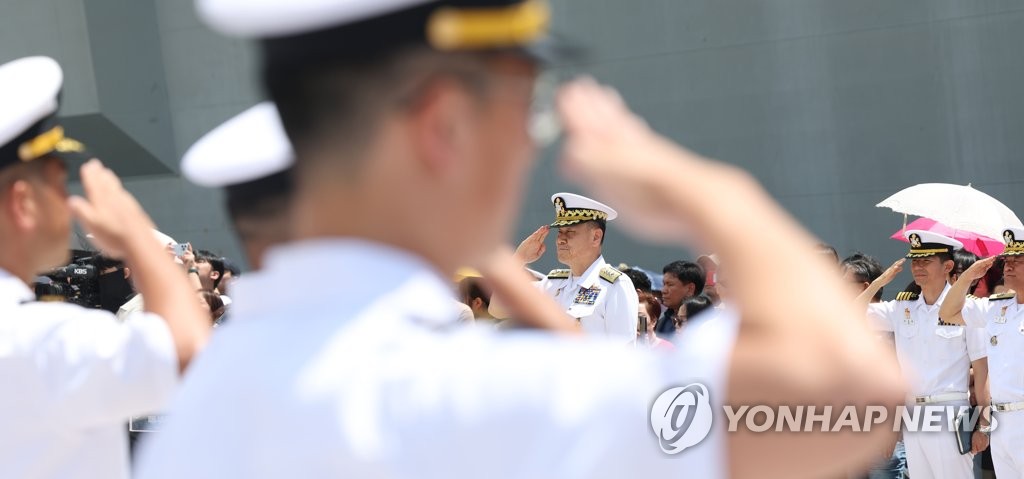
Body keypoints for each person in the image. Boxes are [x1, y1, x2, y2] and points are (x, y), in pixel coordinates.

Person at [135, 1, 904, 478]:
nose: (532, 142)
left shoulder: (221, 390)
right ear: (445, 125)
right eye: (526, 108)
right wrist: (714, 193)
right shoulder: (450, 393)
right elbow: (847, 395)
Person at [0, 56, 209, 478]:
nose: (70, 202)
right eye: (59, 183)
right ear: (24, 204)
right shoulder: (39, 340)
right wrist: (137, 235)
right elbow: (187, 350)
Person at [857, 230, 988, 479]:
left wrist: (984, 424)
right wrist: (878, 283)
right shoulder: (902, 308)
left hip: (950, 412)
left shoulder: (968, 309)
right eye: (915, 261)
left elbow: (981, 372)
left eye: (926, 261)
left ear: (948, 265)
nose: (917, 267)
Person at [939, 227, 1024, 477]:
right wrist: (967, 278)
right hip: (1002, 420)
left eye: (1018, 261)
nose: (1008, 267)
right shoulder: (997, 308)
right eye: (1007, 261)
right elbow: (948, 313)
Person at [514, 193, 638, 342]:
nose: (560, 239)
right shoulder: (553, 284)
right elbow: (497, 308)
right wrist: (519, 259)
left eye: (570, 232)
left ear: (596, 237)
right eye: (560, 232)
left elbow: (623, 355)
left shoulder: (614, 286)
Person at [656, 260, 705, 337]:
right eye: (664, 284)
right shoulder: (662, 320)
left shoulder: (706, 323)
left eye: (670, 285)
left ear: (690, 289)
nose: (663, 290)